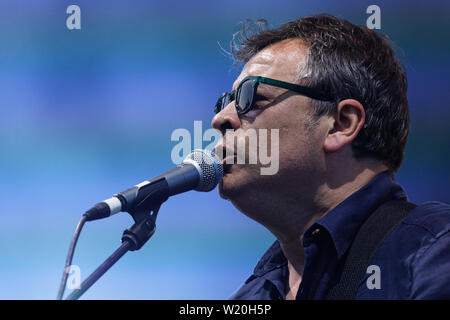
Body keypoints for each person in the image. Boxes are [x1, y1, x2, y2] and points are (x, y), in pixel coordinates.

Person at [211, 14, 450, 300]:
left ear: (341, 124)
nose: (221, 118)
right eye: (225, 102)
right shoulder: (250, 296)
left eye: (251, 97)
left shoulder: (432, 251)